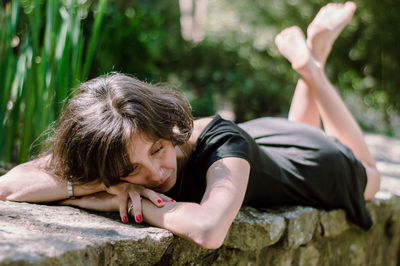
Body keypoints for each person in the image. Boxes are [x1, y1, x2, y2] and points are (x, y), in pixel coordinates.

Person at [0, 2, 380, 249]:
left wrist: (139, 207)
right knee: (295, 131)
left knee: (371, 178)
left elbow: (209, 229)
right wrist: (109, 188)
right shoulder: (121, 143)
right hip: (267, 144)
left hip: (321, 163)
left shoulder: (223, 145)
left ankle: (312, 66)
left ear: (167, 127)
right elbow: (9, 185)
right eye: (130, 169)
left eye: (157, 150)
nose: (156, 173)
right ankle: (313, 58)